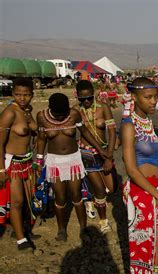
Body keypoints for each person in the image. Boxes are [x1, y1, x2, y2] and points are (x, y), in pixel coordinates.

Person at [36, 93, 109, 241]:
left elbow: (85, 133)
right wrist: (38, 161)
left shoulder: (74, 114)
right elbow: (41, 139)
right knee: (60, 197)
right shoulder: (41, 117)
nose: (61, 117)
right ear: (50, 108)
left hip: (73, 160)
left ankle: (83, 229)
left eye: (63, 114)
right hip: (55, 161)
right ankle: (61, 229)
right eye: (57, 115)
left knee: (76, 195)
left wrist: (99, 149)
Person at [121, 77, 158, 274]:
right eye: (148, 97)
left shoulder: (147, 122)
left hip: (154, 191)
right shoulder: (129, 125)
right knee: (148, 247)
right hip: (142, 192)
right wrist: (154, 193)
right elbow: (130, 168)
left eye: (155, 96)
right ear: (134, 97)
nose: (153, 101)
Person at [74, 80, 117, 233]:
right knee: (99, 188)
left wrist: (109, 157)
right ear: (77, 97)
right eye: (82, 99)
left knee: (111, 189)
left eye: (89, 98)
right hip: (86, 153)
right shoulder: (75, 111)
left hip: (105, 151)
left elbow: (112, 131)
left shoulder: (103, 107)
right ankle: (103, 221)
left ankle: (89, 197)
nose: (86, 101)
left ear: (93, 95)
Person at [0, 78, 38, 251]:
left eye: (26, 95)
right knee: (16, 202)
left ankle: (20, 230)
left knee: (27, 199)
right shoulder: (10, 113)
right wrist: (1, 170)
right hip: (12, 162)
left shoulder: (27, 110)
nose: (22, 98)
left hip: (26, 161)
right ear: (12, 94)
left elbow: (34, 129)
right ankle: (21, 240)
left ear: (32, 94)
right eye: (18, 95)